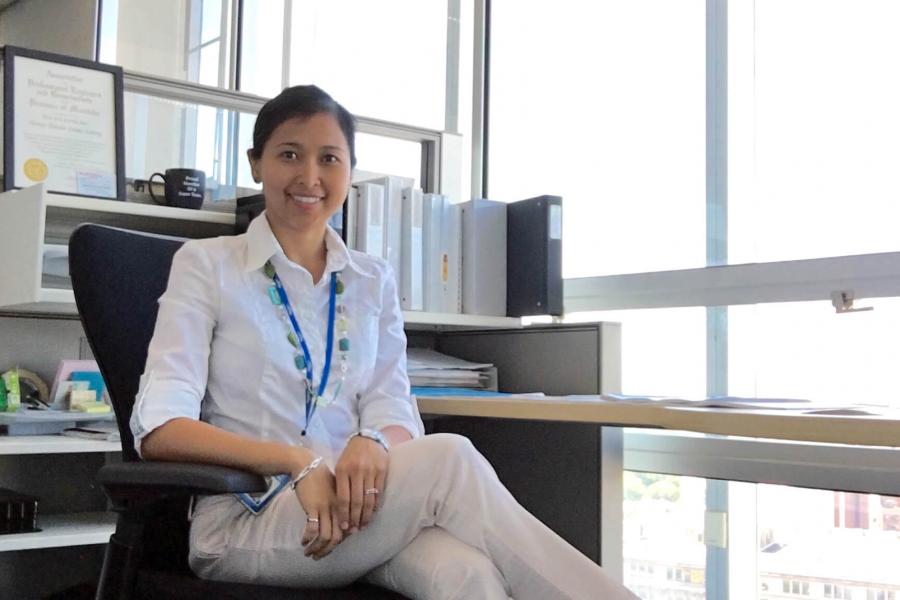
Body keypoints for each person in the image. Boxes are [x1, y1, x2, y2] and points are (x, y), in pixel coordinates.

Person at [131, 84, 636, 600]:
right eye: (289, 155)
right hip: (248, 520)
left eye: (329, 158)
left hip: (361, 509)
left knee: (467, 575)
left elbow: (393, 407)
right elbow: (160, 430)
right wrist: (295, 461)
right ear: (256, 163)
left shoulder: (371, 279)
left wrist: (373, 441)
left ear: (349, 171)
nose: (310, 177)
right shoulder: (207, 265)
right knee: (450, 459)